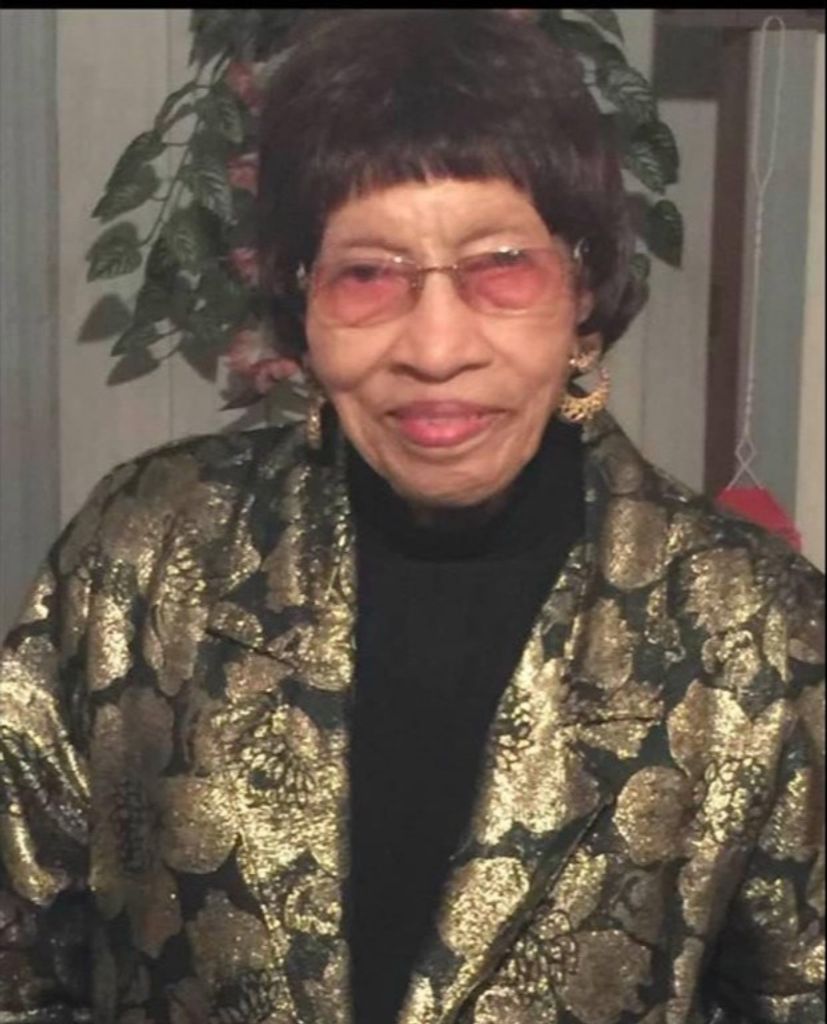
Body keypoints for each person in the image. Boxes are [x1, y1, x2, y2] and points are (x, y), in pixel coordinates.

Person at [0, 10, 823, 1024]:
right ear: (301, 300)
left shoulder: (756, 627)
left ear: (582, 288)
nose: (435, 349)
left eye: (500, 266)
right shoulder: (143, 552)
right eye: (366, 274)